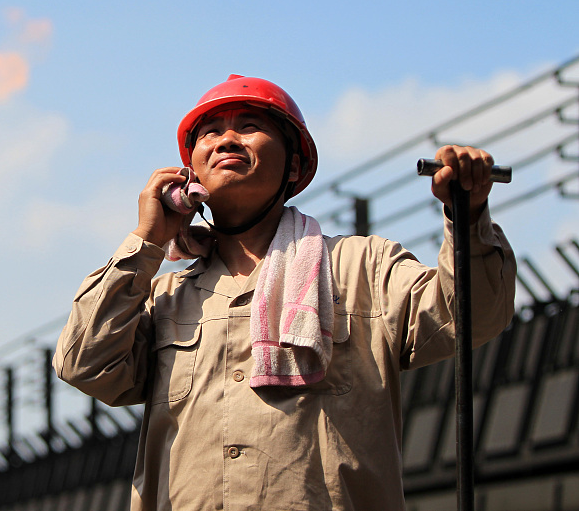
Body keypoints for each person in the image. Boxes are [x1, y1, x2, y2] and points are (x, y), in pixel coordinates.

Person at [54, 75, 516, 510]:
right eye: (210, 133)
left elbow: (471, 315)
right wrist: (146, 241)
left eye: (250, 127)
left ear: (293, 166)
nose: (227, 140)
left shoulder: (364, 268)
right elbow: (84, 365)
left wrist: (469, 215)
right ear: (188, 177)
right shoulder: (163, 296)